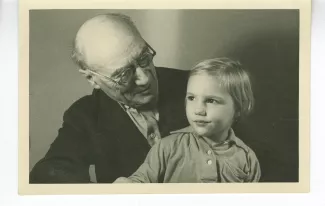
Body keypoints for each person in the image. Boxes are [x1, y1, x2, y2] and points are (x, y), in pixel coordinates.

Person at [29, 13, 189, 183]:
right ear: (92, 79)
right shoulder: (85, 116)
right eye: (123, 74)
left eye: (143, 58)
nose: (145, 79)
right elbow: (46, 174)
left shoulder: (196, 84)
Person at [114, 58, 261, 183]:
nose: (198, 110)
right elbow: (139, 181)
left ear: (238, 108)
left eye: (211, 100)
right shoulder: (167, 147)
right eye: (191, 98)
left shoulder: (247, 158)